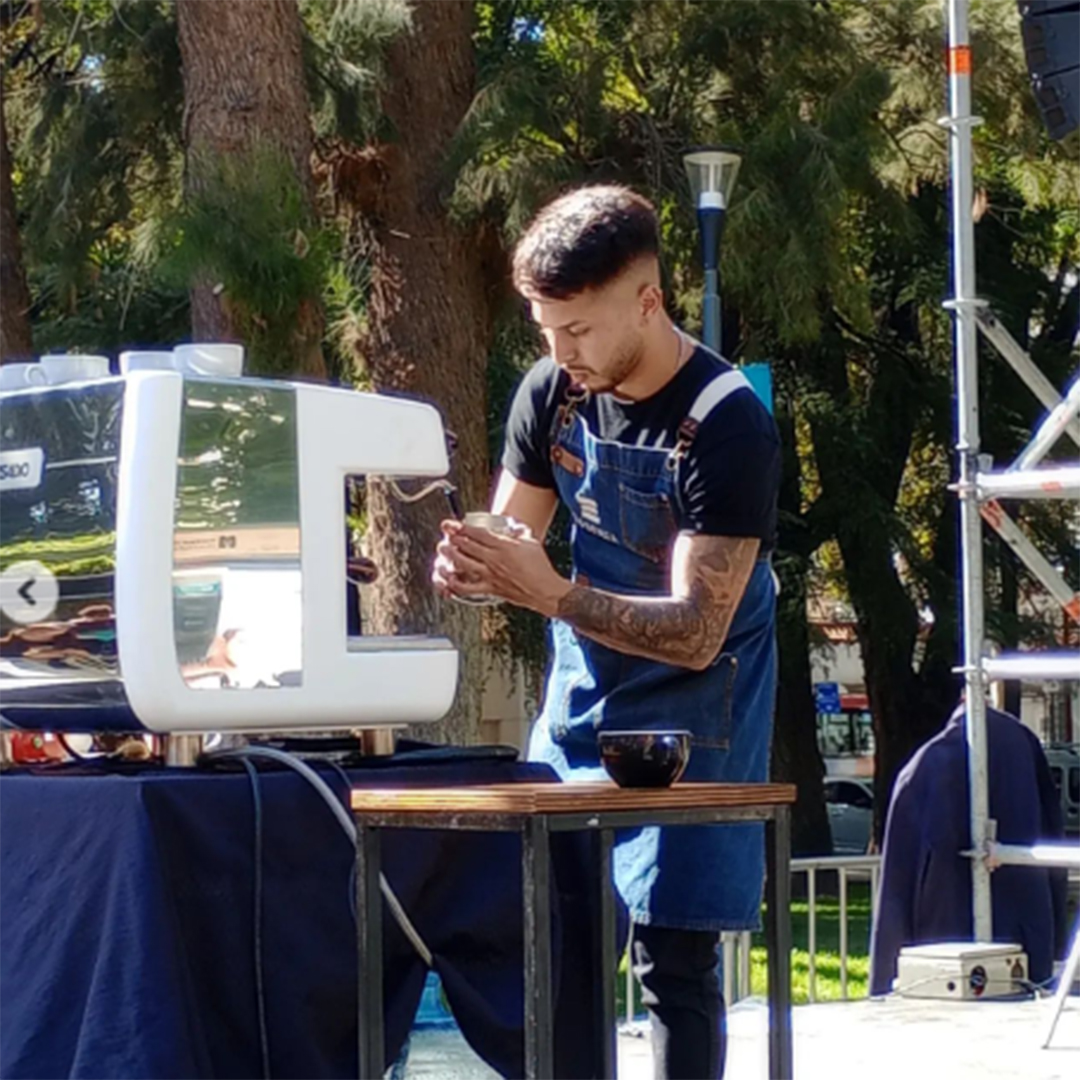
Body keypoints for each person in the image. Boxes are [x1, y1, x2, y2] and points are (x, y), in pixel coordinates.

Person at [433, 185, 780, 1080]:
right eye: (546, 330)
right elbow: (515, 543)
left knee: (675, 958)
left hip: (699, 711)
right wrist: (476, 572)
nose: (561, 353)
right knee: (554, 938)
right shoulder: (551, 395)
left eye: (579, 330)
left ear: (648, 301)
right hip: (584, 699)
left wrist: (549, 595)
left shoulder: (728, 423)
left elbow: (698, 631)